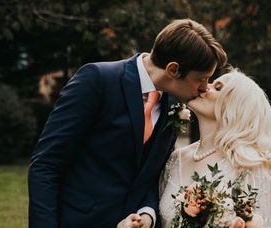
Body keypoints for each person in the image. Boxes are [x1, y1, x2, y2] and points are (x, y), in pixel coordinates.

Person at [28, 19, 228, 228]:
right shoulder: (98, 80)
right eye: (201, 79)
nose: (205, 88)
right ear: (173, 70)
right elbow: (46, 165)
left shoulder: (173, 104)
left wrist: (147, 213)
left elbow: (151, 174)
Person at [159, 70, 271, 228]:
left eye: (218, 87)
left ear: (236, 108)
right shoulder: (176, 158)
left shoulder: (248, 165)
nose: (205, 86)